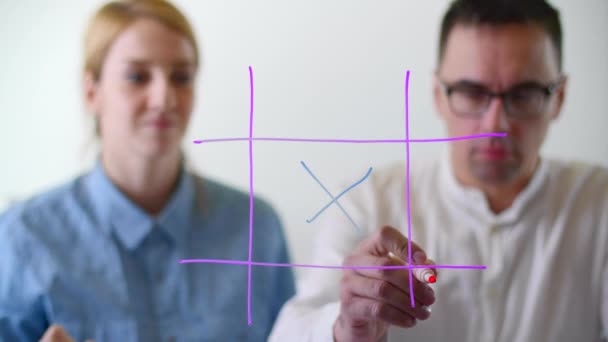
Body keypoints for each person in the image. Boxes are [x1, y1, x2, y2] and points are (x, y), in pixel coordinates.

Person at [269, 0, 608, 341]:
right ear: (438, 95)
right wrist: (345, 328)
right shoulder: (365, 204)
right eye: (472, 93)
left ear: (559, 97)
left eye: (523, 95)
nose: (495, 124)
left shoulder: (601, 205)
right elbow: (289, 332)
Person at [0, 0, 295, 341]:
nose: (164, 98)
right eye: (137, 77)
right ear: (92, 91)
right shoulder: (22, 238)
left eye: (181, 77)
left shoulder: (257, 229)